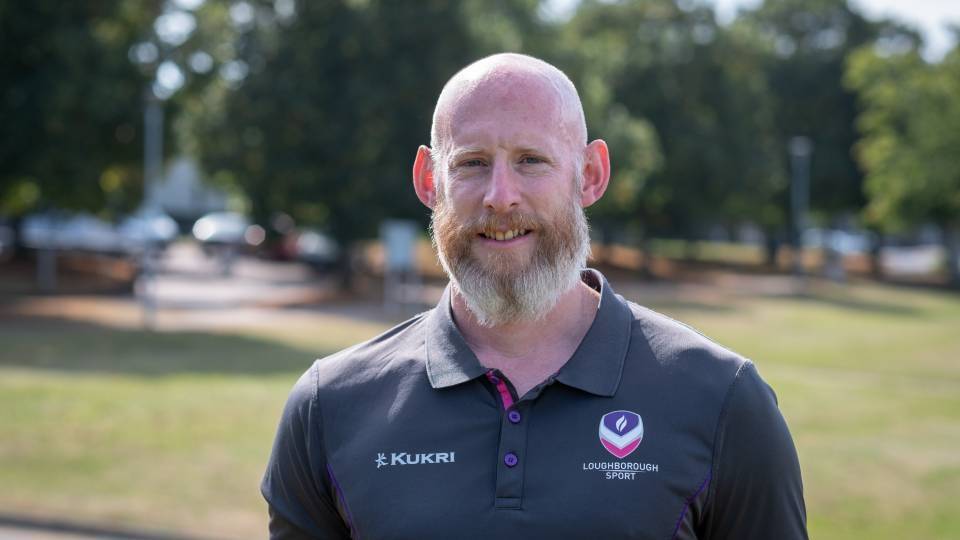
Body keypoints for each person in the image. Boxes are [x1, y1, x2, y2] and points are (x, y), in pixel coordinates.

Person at [261, 53, 807, 539]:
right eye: (471, 163)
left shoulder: (724, 401)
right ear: (430, 181)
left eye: (531, 160)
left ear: (590, 175)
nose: (501, 196)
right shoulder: (328, 408)